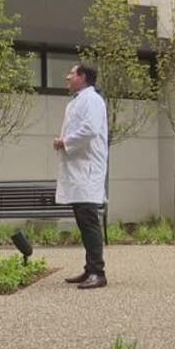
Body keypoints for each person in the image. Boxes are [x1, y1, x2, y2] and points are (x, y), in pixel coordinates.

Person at [53, 63, 109, 289]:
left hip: (87, 171)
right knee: (84, 222)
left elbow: (90, 129)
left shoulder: (92, 100)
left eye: (72, 74)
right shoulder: (78, 100)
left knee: (89, 222)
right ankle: (90, 269)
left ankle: (98, 272)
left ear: (83, 77)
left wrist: (64, 141)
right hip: (78, 171)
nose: (67, 77)